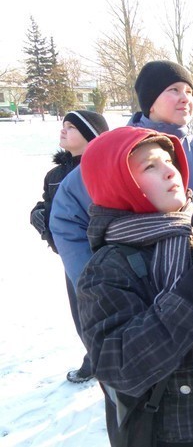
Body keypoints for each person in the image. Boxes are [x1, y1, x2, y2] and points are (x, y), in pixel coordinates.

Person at [78, 126, 193, 446]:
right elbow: (121, 366)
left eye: (169, 161)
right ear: (116, 183)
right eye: (150, 166)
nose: (170, 171)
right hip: (179, 437)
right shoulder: (109, 267)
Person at [50, 60, 193, 290]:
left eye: (189, 91)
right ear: (150, 102)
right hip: (133, 296)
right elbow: (67, 214)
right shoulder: (115, 152)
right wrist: (99, 287)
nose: (185, 98)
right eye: (173, 90)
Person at [30, 110, 108, 383]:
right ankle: (94, 357)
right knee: (81, 314)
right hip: (70, 256)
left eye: (71, 127)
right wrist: (39, 214)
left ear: (91, 135)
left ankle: (113, 363)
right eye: (63, 125)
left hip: (103, 254)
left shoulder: (104, 168)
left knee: (109, 312)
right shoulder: (55, 173)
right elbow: (50, 203)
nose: (63, 130)